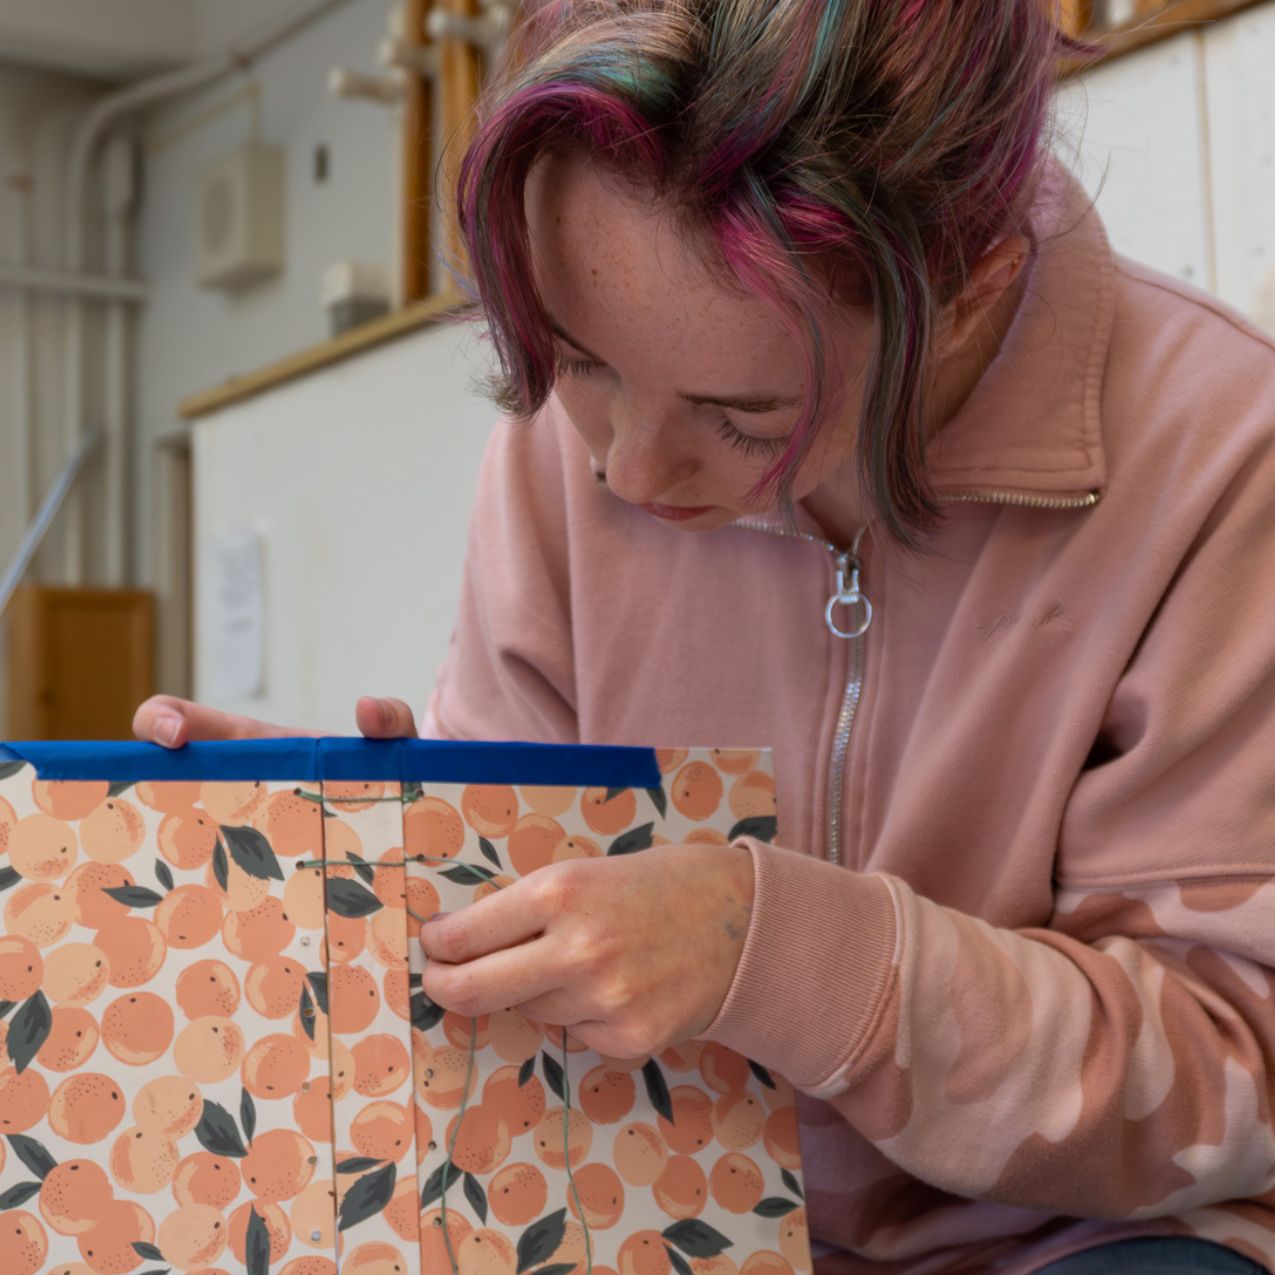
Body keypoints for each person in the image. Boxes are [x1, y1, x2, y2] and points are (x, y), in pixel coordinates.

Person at [134, 2, 1275, 1271]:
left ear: (970, 293)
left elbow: (1237, 1077)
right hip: (670, 1217)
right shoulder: (563, 451)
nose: (626, 470)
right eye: (581, 364)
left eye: (745, 418)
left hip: (1086, 1239)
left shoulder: (1226, 454)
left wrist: (778, 950)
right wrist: (359, 848)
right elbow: (517, 949)